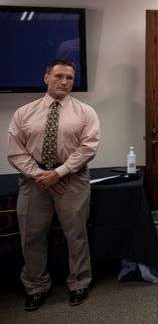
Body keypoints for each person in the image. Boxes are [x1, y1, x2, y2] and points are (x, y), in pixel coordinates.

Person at [7, 59, 100, 311]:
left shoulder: (85, 112)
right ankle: (36, 286)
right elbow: (16, 152)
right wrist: (43, 176)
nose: (64, 81)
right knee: (32, 236)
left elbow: (88, 148)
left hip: (73, 180)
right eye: (59, 76)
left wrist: (58, 173)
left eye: (69, 77)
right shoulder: (24, 113)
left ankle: (79, 282)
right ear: (45, 77)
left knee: (76, 234)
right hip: (34, 182)